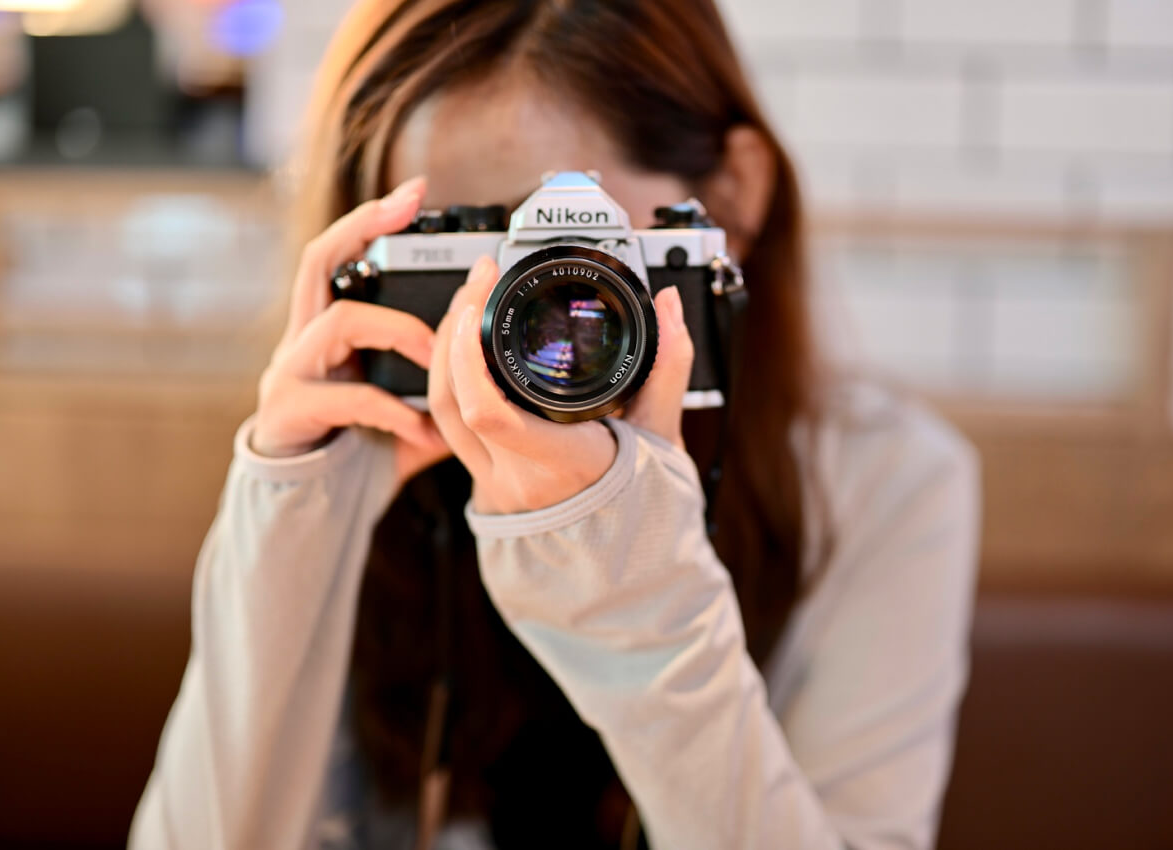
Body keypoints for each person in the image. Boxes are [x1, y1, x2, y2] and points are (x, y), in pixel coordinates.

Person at [131, 1, 980, 848]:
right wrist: (293, 521)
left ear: (730, 198)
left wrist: (644, 597)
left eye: (570, 261)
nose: (523, 321)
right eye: (469, 246)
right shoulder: (360, 459)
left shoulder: (885, 484)